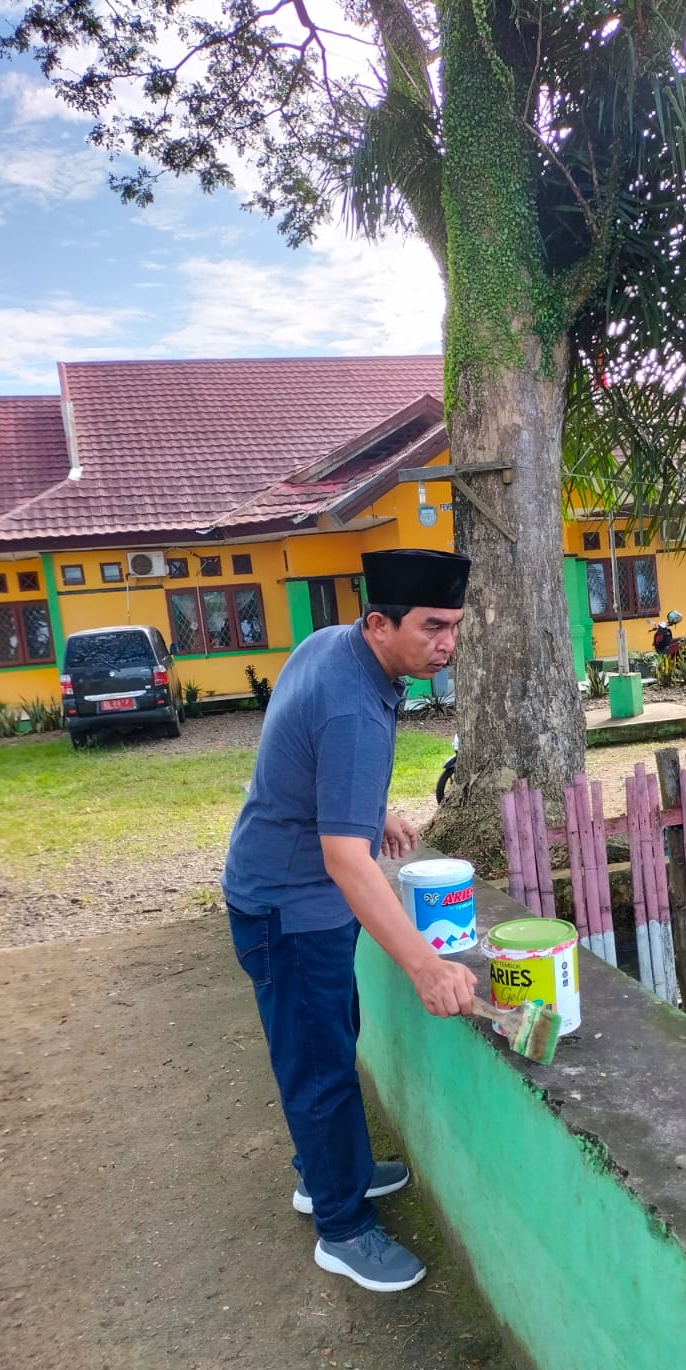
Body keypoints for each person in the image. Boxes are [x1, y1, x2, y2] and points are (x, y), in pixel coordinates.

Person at [221, 548, 478, 1292]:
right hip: (290, 906)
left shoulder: (331, 646)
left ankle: (333, 1172)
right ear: (379, 622)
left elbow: (299, 760)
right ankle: (340, 1225)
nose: (447, 644)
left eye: (454, 628)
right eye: (433, 627)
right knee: (321, 1067)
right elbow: (347, 863)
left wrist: (369, 813)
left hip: (282, 891)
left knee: (328, 1038)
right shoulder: (353, 705)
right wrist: (426, 965)